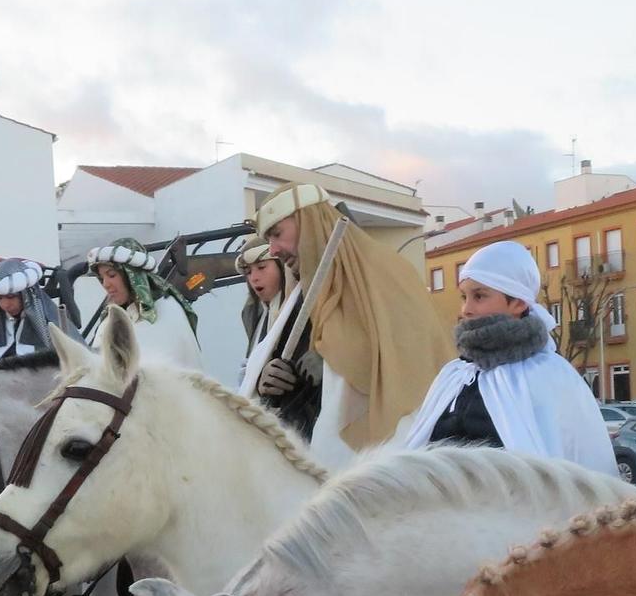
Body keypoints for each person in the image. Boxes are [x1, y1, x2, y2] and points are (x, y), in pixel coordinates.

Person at [258, 183, 451, 466]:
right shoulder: (300, 294)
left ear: (310, 222)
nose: (273, 250)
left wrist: (334, 358)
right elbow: (288, 369)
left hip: (386, 455)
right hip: (308, 456)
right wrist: (268, 378)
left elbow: (412, 357)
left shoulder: (384, 270)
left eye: (277, 234)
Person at [401, 240, 612, 472]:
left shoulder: (550, 375)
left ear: (519, 302)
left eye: (479, 296)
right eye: (464, 297)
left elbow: (581, 466)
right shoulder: (454, 374)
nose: (466, 309)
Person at [234, 237, 320, 439]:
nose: (254, 278)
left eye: (262, 267)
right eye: (248, 272)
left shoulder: (305, 304)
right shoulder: (255, 315)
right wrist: (259, 380)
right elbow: (251, 368)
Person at [80, 238, 203, 370]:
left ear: (132, 275)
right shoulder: (110, 320)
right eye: (101, 278)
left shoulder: (167, 311)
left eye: (111, 275)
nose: (105, 284)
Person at [0, 257, 78, 365]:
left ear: (27, 295)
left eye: (11, 297)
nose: (6, 305)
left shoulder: (51, 326)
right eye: (0, 298)